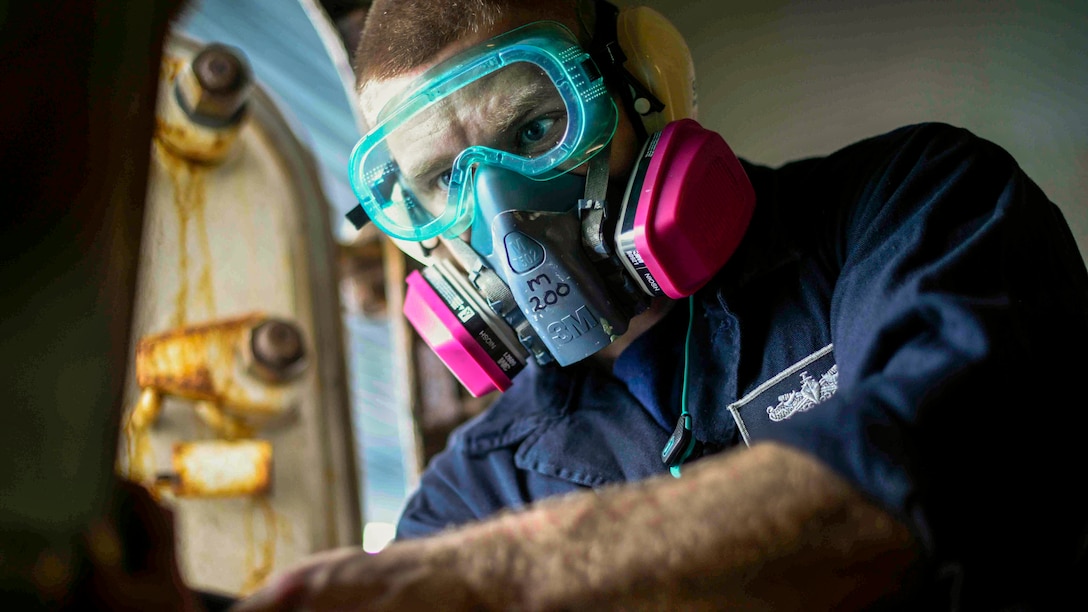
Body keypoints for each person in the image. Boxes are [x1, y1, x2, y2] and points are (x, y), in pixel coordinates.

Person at [236, 0, 1088, 609]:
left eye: (535, 131)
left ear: (642, 79)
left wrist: (508, 580)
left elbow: (947, 474)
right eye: (438, 183)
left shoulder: (914, 206)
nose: (498, 216)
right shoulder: (472, 492)